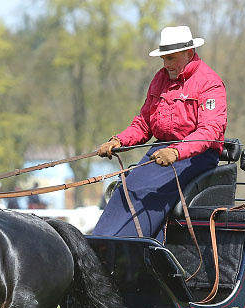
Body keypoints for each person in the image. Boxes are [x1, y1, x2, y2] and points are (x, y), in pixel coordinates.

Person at [93, 25, 226, 241]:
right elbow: (144, 123)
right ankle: (102, 243)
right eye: (164, 59)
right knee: (126, 189)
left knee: (148, 191)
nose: (166, 65)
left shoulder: (210, 83)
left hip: (195, 157)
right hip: (162, 152)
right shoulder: (160, 79)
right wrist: (119, 140)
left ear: (189, 53)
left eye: (171, 58)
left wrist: (176, 152)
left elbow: (209, 131)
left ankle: (129, 247)